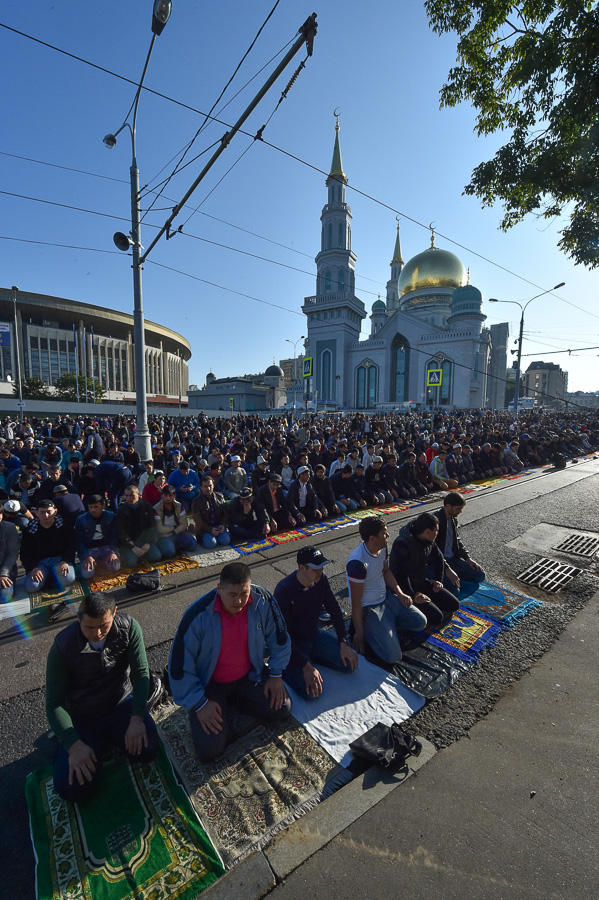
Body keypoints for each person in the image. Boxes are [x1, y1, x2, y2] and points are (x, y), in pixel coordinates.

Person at [168, 561, 291, 761]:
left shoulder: (262, 600)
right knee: (210, 749)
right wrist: (199, 703)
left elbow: (280, 637)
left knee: (283, 707)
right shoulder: (197, 615)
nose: (239, 601)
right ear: (219, 588)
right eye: (232, 595)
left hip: (249, 675)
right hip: (210, 684)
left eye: (244, 593)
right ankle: (222, 704)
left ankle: (235, 700)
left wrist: (276, 674)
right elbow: (179, 667)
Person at [45, 591, 158, 802]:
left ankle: (108, 739)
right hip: (83, 715)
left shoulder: (129, 628)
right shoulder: (63, 646)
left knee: (149, 748)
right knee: (72, 789)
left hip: (120, 702)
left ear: (114, 613)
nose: (97, 633)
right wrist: (73, 744)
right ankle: (68, 744)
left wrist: (137, 718)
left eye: (103, 626)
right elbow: (54, 703)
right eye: (89, 627)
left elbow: (141, 673)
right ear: (78, 618)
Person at [274, 546, 358, 699]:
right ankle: (288, 669)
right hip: (292, 646)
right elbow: (282, 636)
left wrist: (343, 642)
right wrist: (304, 665)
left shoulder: (321, 580)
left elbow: (335, 610)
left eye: (322, 567)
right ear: (302, 568)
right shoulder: (284, 590)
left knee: (349, 664)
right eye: (315, 569)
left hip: (314, 636)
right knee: (312, 693)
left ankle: (314, 658)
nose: (320, 572)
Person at [346, 516, 427, 663]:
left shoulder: (382, 548)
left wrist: (400, 593)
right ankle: (374, 629)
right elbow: (356, 602)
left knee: (420, 622)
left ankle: (386, 626)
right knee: (393, 657)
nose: (388, 536)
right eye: (384, 533)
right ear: (372, 538)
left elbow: (386, 571)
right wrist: (359, 633)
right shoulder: (357, 563)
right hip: (370, 609)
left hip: (387, 599)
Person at [389, 512, 461, 628]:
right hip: (405, 590)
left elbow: (439, 557)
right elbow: (400, 574)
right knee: (436, 617)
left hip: (422, 582)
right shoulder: (402, 544)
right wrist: (414, 595)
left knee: (454, 604)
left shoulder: (428, 541)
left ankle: (428, 603)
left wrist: (438, 580)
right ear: (427, 531)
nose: (437, 533)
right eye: (436, 531)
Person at [433, 492, 486, 586]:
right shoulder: (435, 521)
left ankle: (455, 577)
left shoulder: (453, 519)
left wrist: (467, 558)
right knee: (454, 589)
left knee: (480, 575)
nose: (460, 512)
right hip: (440, 562)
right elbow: (433, 549)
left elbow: (456, 540)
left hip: (453, 559)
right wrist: (446, 568)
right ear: (448, 506)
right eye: (458, 509)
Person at [115, 484, 161, 569]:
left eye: (132, 495)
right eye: (127, 495)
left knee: (156, 556)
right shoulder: (121, 511)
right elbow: (121, 532)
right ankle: (133, 556)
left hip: (144, 541)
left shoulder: (147, 506)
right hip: (129, 543)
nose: (129, 498)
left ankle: (139, 556)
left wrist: (147, 543)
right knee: (131, 564)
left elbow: (152, 527)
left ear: (139, 495)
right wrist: (132, 547)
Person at [75, 494, 121, 580]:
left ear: (103, 505)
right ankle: (97, 562)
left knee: (115, 567)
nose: (93, 510)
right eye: (90, 507)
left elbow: (114, 536)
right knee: (87, 574)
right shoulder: (81, 520)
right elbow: (79, 541)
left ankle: (100, 561)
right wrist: (86, 556)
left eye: (96, 507)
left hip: (106, 548)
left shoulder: (110, 516)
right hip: (89, 549)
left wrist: (113, 552)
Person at [154, 484, 198, 557]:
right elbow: (159, 529)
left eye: (170, 495)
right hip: (163, 536)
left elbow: (184, 525)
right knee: (169, 552)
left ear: (174, 496)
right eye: (165, 495)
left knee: (193, 544)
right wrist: (173, 528)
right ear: (162, 496)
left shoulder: (179, 506)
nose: (167, 498)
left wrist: (174, 532)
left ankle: (174, 546)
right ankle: (170, 546)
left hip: (177, 532)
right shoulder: (156, 509)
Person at [191, 475, 231, 549]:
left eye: (210, 486)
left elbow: (225, 513)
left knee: (225, 541)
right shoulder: (196, 501)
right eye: (205, 486)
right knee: (211, 544)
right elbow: (197, 520)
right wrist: (210, 529)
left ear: (213, 485)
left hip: (218, 526)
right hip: (204, 529)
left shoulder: (220, 496)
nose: (208, 489)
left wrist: (223, 525)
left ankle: (218, 536)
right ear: (201, 488)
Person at [0, 504, 19, 602]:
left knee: (4, 596)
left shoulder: (10, 527)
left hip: (5, 570)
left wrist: (3, 574)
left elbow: (12, 553)